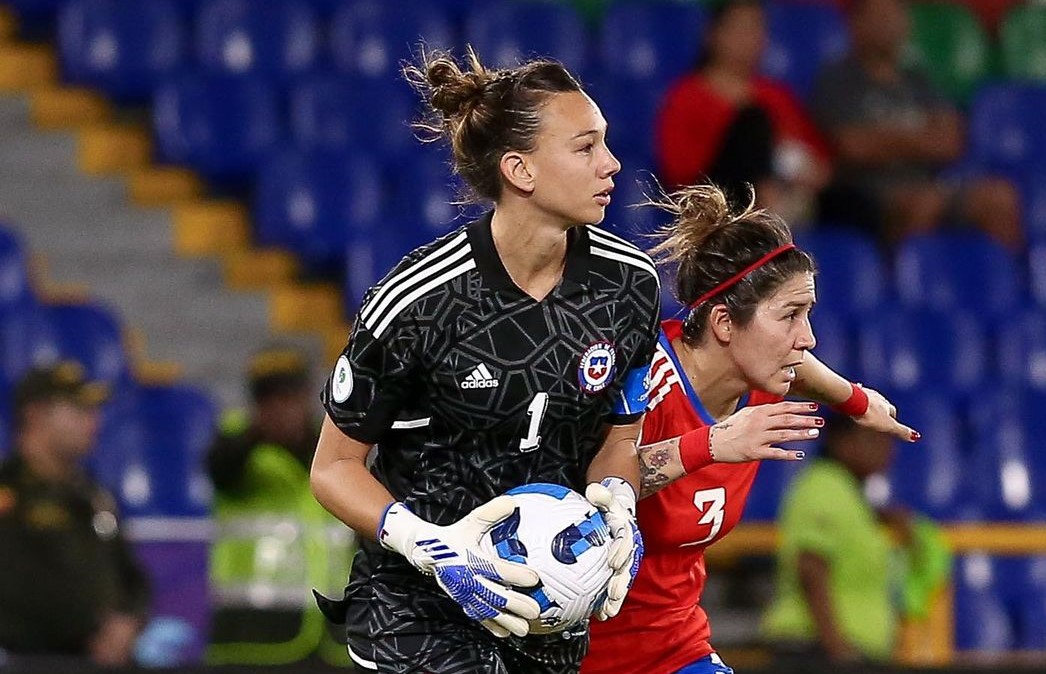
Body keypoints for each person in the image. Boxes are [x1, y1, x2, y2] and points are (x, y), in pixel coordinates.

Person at [309, 46, 662, 674]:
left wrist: (618, 501)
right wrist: (431, 548)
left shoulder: (630, 287)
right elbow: (333, 468)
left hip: (548, 616)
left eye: (605, 143)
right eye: (585, 147)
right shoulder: (419, 301)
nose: (611, 163)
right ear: (520, 171)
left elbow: (618, 438)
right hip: (414, 616)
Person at [581, 184, 917, 674]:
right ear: (723, 322)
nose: (808, 337)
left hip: (676, 649)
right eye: (790, 315)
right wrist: (711, 443)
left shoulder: (762, 373)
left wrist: (857, 401)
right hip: (582, 653)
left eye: (808, 313)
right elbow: (590, 496)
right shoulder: (645, 380)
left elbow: (804, 369)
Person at [811, 0, 1022, 250]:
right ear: (856, 24)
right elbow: (853, 147)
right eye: (880, 16)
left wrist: (884, 140)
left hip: (932, 184)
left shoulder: (917, 78)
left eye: (895, 15)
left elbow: (950, 142)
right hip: (870, 194)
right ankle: (904, 273)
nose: (889, 24)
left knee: (999, 198)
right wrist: (920, 139)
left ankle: (1003, 274)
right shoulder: (837, 79)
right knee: (924, 203)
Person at [204, 347, 354, 666]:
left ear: (306, 397)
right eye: (269, 399)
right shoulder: (234, 448)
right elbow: (221, 468)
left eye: (289, 397)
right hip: (252, 640)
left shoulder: (336, 451)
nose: (280, 409)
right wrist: (255, 434)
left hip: (330, 641)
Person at [761, 414, 951, 666]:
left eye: (887, 439)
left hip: (847, 652)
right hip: (818, 652)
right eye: (873, 438)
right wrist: (839, 650)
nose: (885, 448)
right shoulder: (823, 487)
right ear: (841, 442)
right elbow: (811, 568)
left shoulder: (851, 495)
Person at [0, 362, 149, 668]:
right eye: (79, 410)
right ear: (36, 414)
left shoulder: (93, 495)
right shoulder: (10, 493)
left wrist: (127, 622)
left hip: (98, 664)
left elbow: (132, 578)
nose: (93, 421)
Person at [655, 0, 831, 222]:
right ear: (713, 34)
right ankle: (767, 208)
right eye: (740, 28)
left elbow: (815, 157)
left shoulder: (776, 95)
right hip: (716, 199)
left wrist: (811, 172)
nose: (749, 38)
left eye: (756, 28)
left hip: (786, 190)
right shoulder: (686, 96)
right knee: (752, 121)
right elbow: (679, 174)